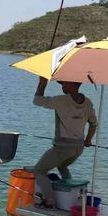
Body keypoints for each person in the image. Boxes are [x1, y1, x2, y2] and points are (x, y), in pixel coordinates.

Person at [33, 76, 98, 208]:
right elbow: (94, 124)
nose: (61, 86)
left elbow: (37, 100)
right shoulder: (88, 102)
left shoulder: (61, 100)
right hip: (78, 149)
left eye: (63, 83)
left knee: (39, 170)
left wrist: (42, 82)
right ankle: (70, 195)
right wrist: (88, 140)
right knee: (62, 166)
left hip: (62, 149)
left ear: (72, 83)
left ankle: (49, 198)